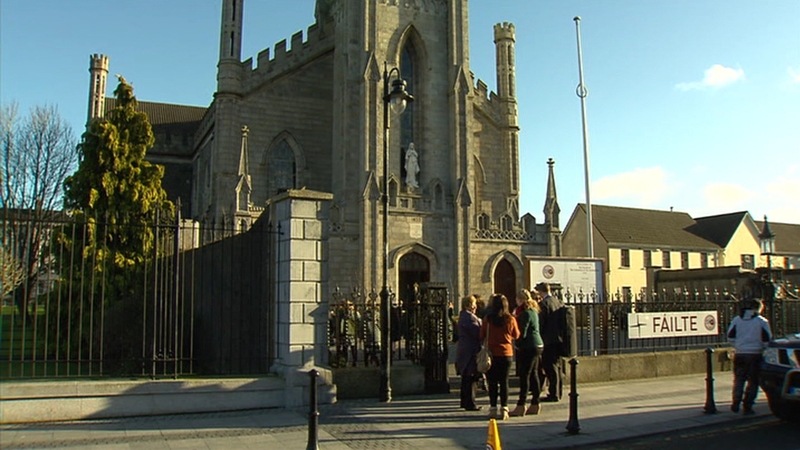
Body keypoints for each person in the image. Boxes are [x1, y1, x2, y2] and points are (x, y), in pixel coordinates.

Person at [726, 298, 772, 415]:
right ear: (759, 308)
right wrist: (762, 348)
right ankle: (748, 405)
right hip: (755, 354)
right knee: (753, 381)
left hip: (740, 353)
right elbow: (767, 340)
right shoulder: (762, 321)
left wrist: (738, 345)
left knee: (739, 379)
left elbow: (730, 336)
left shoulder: (737, 320)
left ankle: (735, 402)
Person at [480, 293, 520, 420]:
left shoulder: (488, 319)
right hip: (506, 353)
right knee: (504, 382)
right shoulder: (510, 319)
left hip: (492, 354)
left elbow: (482, 334)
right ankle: (504, 408)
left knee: (492, 383)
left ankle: (492, 408)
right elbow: (517, 335)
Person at [510, 289, 544, 416]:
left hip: (528, 346)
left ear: (521, 299)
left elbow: (521, 334)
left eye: (517, 299)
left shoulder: (524, 314)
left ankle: (521, 405)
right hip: (538, 344)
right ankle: (535, 402)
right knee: (534, 373)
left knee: (525, 375)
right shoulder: (534, 311)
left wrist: (516, 344)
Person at [535, 281, 564, 401]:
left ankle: (553, 394)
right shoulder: (558, 302)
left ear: (541, 292)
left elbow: (541, 323)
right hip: (558, 338)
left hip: (548, 340)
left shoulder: (544, 304)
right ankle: (558, 391)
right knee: (557, 367)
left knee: (550, 367)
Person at [455, 295, 482, 411]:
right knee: (471, 377)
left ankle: (465, 401)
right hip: (470, 350)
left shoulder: (464, 316)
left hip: (466, 349)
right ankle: (470, 402)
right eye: (474, 304)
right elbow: (478, 332)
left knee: (466, 377)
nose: (475, 306)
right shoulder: (469, 318)